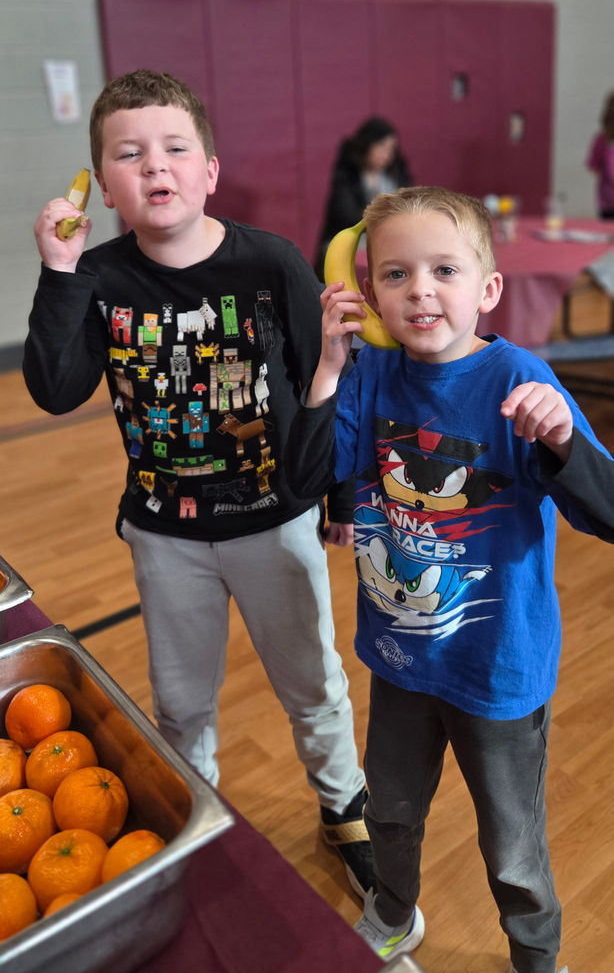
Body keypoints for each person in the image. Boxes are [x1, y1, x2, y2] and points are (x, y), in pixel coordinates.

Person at [23, 68, 376, 900]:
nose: (156, 166)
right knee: (181, 702)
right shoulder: (100, 276)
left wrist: (341, 496)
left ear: (210, 170)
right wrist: (60, 270)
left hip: (273, 518)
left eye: (176, 148)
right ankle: (199, 813)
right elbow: (53, 385)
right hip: (164, 532)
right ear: (104, 185)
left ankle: (344, 806)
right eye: (130, 154)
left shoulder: (270, 263)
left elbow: (328, 381)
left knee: (313, 683)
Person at [285, 185, 614, 971]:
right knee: (390, 817)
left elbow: (607, 511)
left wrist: (563, 439)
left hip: (498, 669)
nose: (421, 290)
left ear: (488, 288)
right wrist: (329, 367)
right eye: (395, 275)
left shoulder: (519, 378)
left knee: (513, 849)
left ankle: (537, 957)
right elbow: (303, 481)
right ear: (369, 296)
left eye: (444, 269)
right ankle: (394, 912)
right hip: (401, 662)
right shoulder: (366, 377)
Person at [314, 116, 412, 279]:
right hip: (354, 238)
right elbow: (345, 215)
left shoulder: (396, 175)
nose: (386, 154)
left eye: (391, 148)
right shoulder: (347, 175)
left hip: (390, 238)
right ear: (367, 145)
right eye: (381, 146)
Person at [586, 91, 614, 219]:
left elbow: (593, 166)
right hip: (608, 200)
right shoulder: (602, 140)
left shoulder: (601, 139)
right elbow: (593, 165)